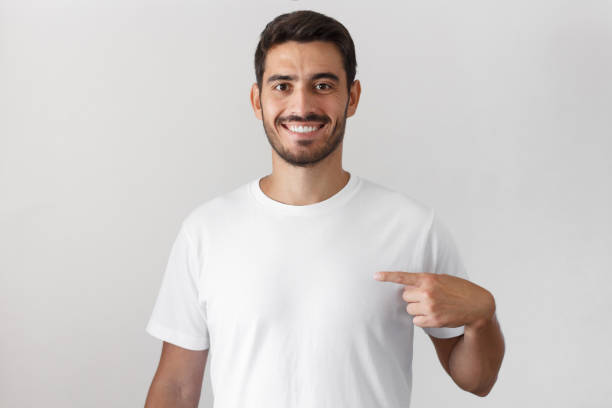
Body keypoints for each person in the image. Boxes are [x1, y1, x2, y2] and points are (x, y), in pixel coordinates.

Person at [144, 9, 505, 408]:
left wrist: (482, 317)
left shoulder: (412, 227)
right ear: (256, 99)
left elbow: (478, 380)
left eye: (322, 85)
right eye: (282, 85)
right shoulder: (207, 231)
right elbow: (176, 387)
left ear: (351, 97)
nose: (302, 105)